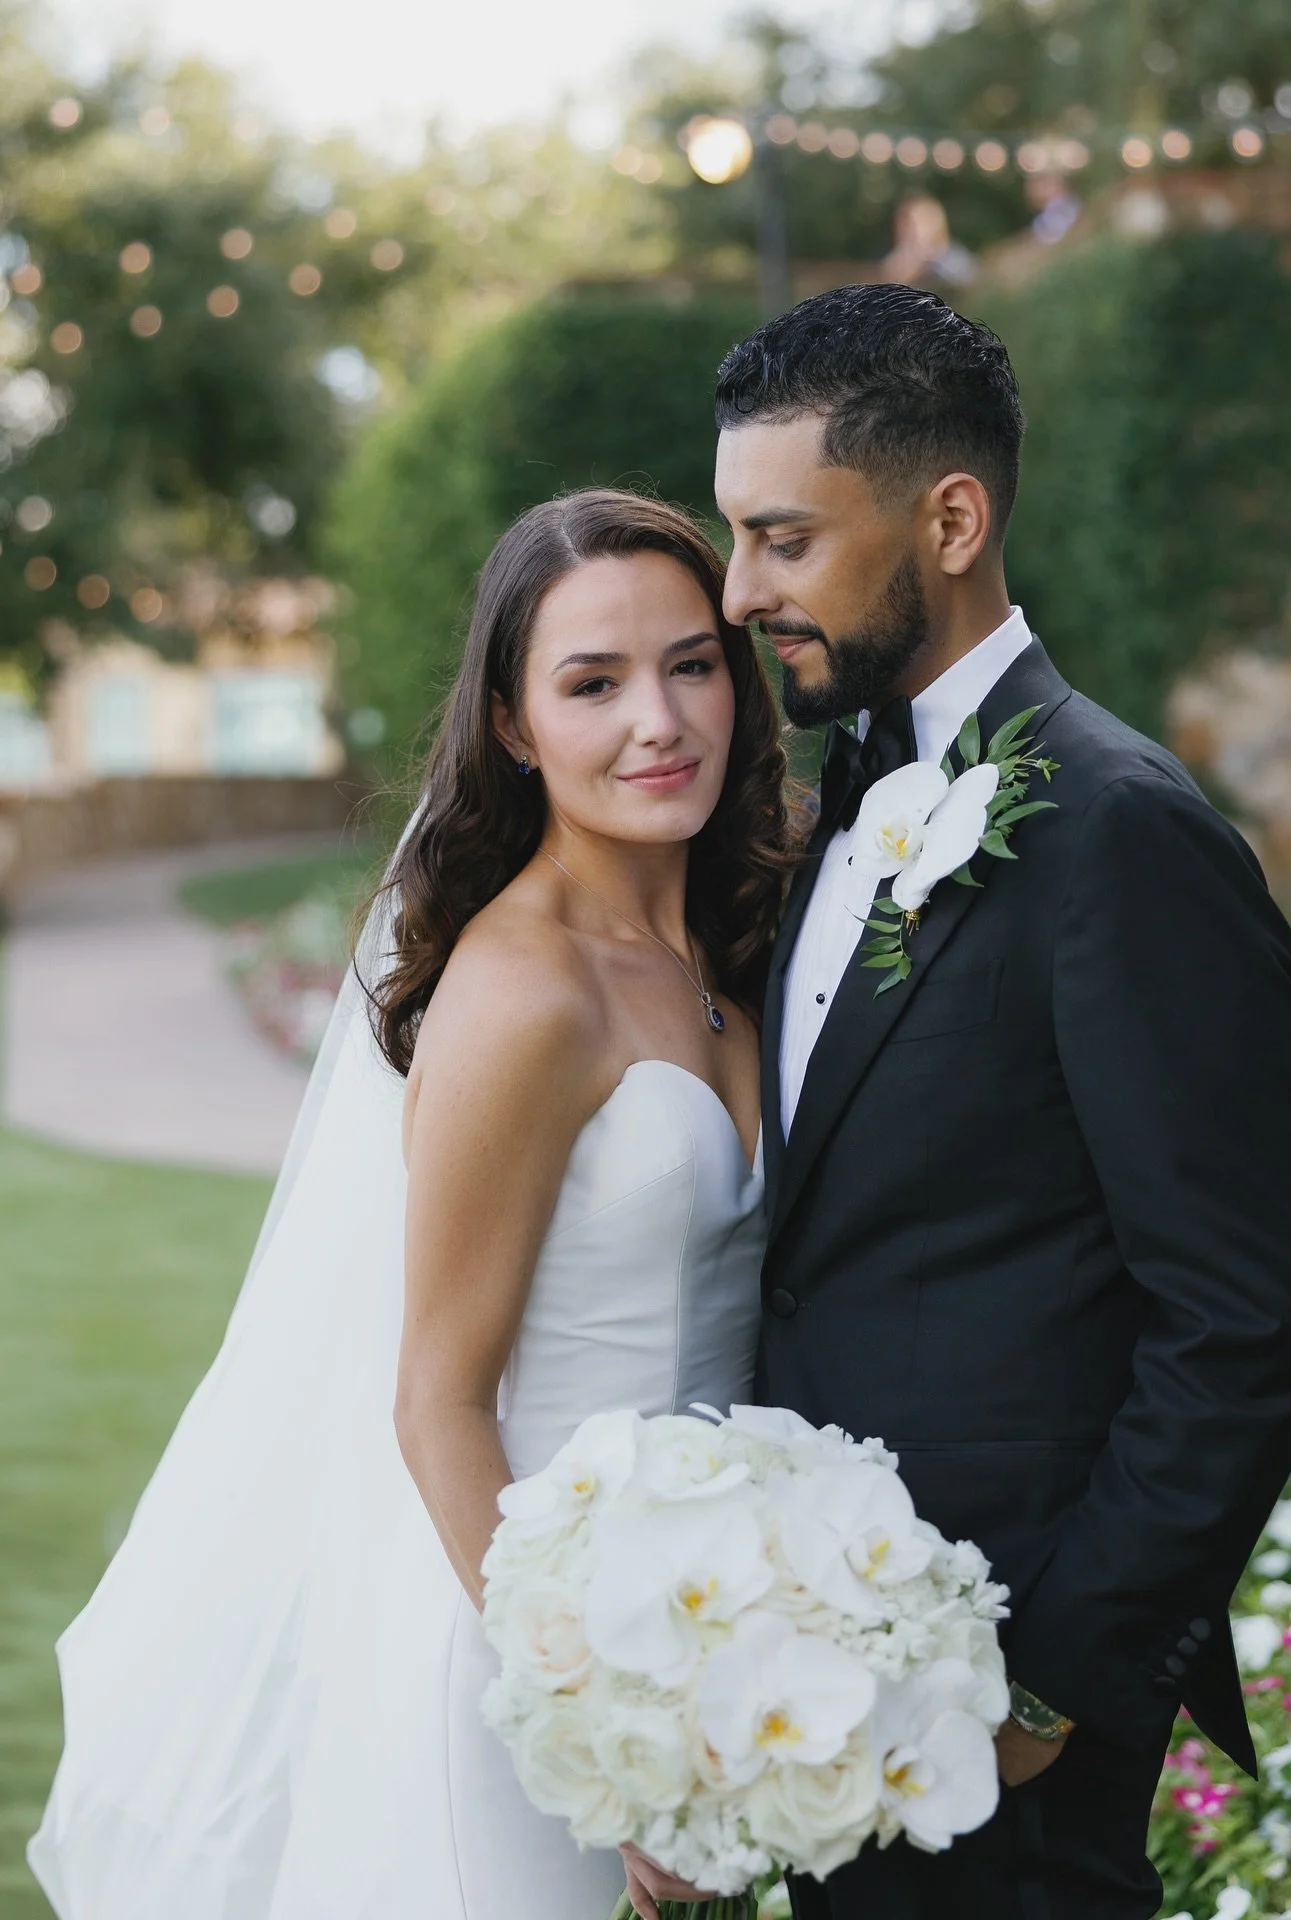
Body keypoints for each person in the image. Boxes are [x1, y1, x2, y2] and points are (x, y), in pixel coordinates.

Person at [28, 489, 791, 1920]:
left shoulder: (738, 950)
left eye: (692, 663)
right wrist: (597, 1739)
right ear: (513, 725)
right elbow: (438, 1400)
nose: (659, 720)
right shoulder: (524, 988)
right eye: (593, 683)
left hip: (704, 1639)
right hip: (531, 1670)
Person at [713, 283, 1291, 1920]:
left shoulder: (1123, 836)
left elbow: (1250, 1316)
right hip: (829, 1681)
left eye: (783, 540)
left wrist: (1053, 1687)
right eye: (736, 539)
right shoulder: (826, 803)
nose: (739, 591)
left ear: (950, 515)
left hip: (1002, 1716)